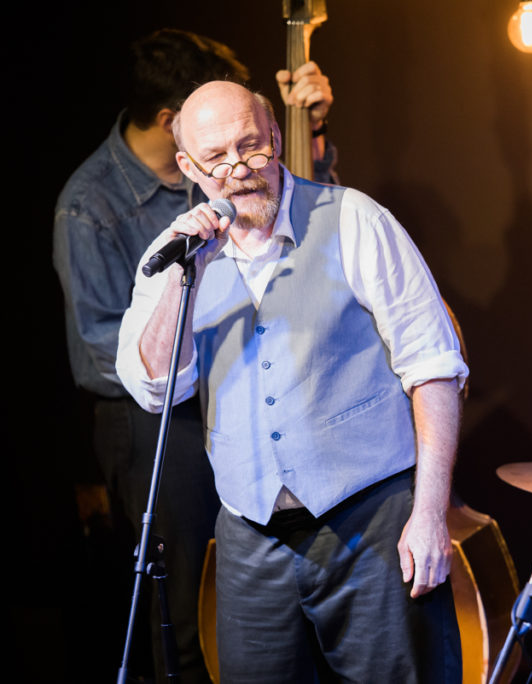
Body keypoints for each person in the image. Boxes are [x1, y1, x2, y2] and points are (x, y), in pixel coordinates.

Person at [115, 80, 465, 682]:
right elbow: (156, 390)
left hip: (369, 524)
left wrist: (431, 514)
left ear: (276, 137)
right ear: (187, 168)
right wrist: (184, 278)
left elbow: (434, 367)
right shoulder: (176, 255)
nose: (240, 170)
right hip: (251, 542)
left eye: (251, 148)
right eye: (217, 159)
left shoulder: (354, 219)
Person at [52, 28, 335, 683]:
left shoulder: (217, 166)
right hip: (147, 416)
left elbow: (302, 223)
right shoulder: (87, 206)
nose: (230, 154)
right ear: (169, 123)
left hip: (227, 391)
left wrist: (312, 132)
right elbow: (96, 349)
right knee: (186, 600)